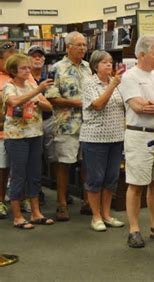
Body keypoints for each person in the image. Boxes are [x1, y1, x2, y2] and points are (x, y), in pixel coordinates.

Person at [118, 35, 154, 248]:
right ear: (141, 54)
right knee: (136, 184)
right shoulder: (129, 77)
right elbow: (139, 107)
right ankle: (134, 229)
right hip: (139, 134)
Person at [3, 53, 54, 229]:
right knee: (18, 175)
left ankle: (36, 213)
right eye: (23, 68)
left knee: (34, 174)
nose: (27, 70)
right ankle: (17, 216)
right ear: (13, 71)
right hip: (17, 137)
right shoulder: (9, 87)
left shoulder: (32, 85)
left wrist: (38, 101)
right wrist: (37, 92)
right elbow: (14, 102)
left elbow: (49, 106)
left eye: (28, 67)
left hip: (35, 134)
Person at [45, 31, 92, 222]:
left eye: (84, 45)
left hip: (89, 125)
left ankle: (88, 201)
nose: (82, 48)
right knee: (64, 164)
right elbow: (51, 97)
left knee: (87, 164)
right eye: (78, 44)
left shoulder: (89, 67)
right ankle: (61, 204)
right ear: (68, 47)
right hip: (66, 124)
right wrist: (77, 103)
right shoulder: (56, 68)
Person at [80, 51, 125, 232]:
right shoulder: (89, 83)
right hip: (95, 138)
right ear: (95, 66)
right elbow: (98, 105)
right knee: (95, 178)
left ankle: (106, 214)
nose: (109, 65)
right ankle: (96, 216)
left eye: (110, 62)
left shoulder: (116, 84)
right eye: (104, 63)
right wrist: (112, 86)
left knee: (111, 178)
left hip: (116, 137)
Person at [28, 45, 56, 206]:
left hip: (49, 120)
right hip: (31, 122)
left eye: (40, 56)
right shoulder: (24, 77)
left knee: (52, 157)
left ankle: (59, 190)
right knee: (34, 159)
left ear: (44, 59)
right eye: (34, 56)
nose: (37, 59)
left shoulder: (50, 78)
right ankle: (36, 192)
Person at [0, 42, 17, 219]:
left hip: (22, 132)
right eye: (7, 59)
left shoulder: (23, 75)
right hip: (2, 132)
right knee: (2, 169)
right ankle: (1, 202)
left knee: (21, 169)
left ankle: (20, 199)